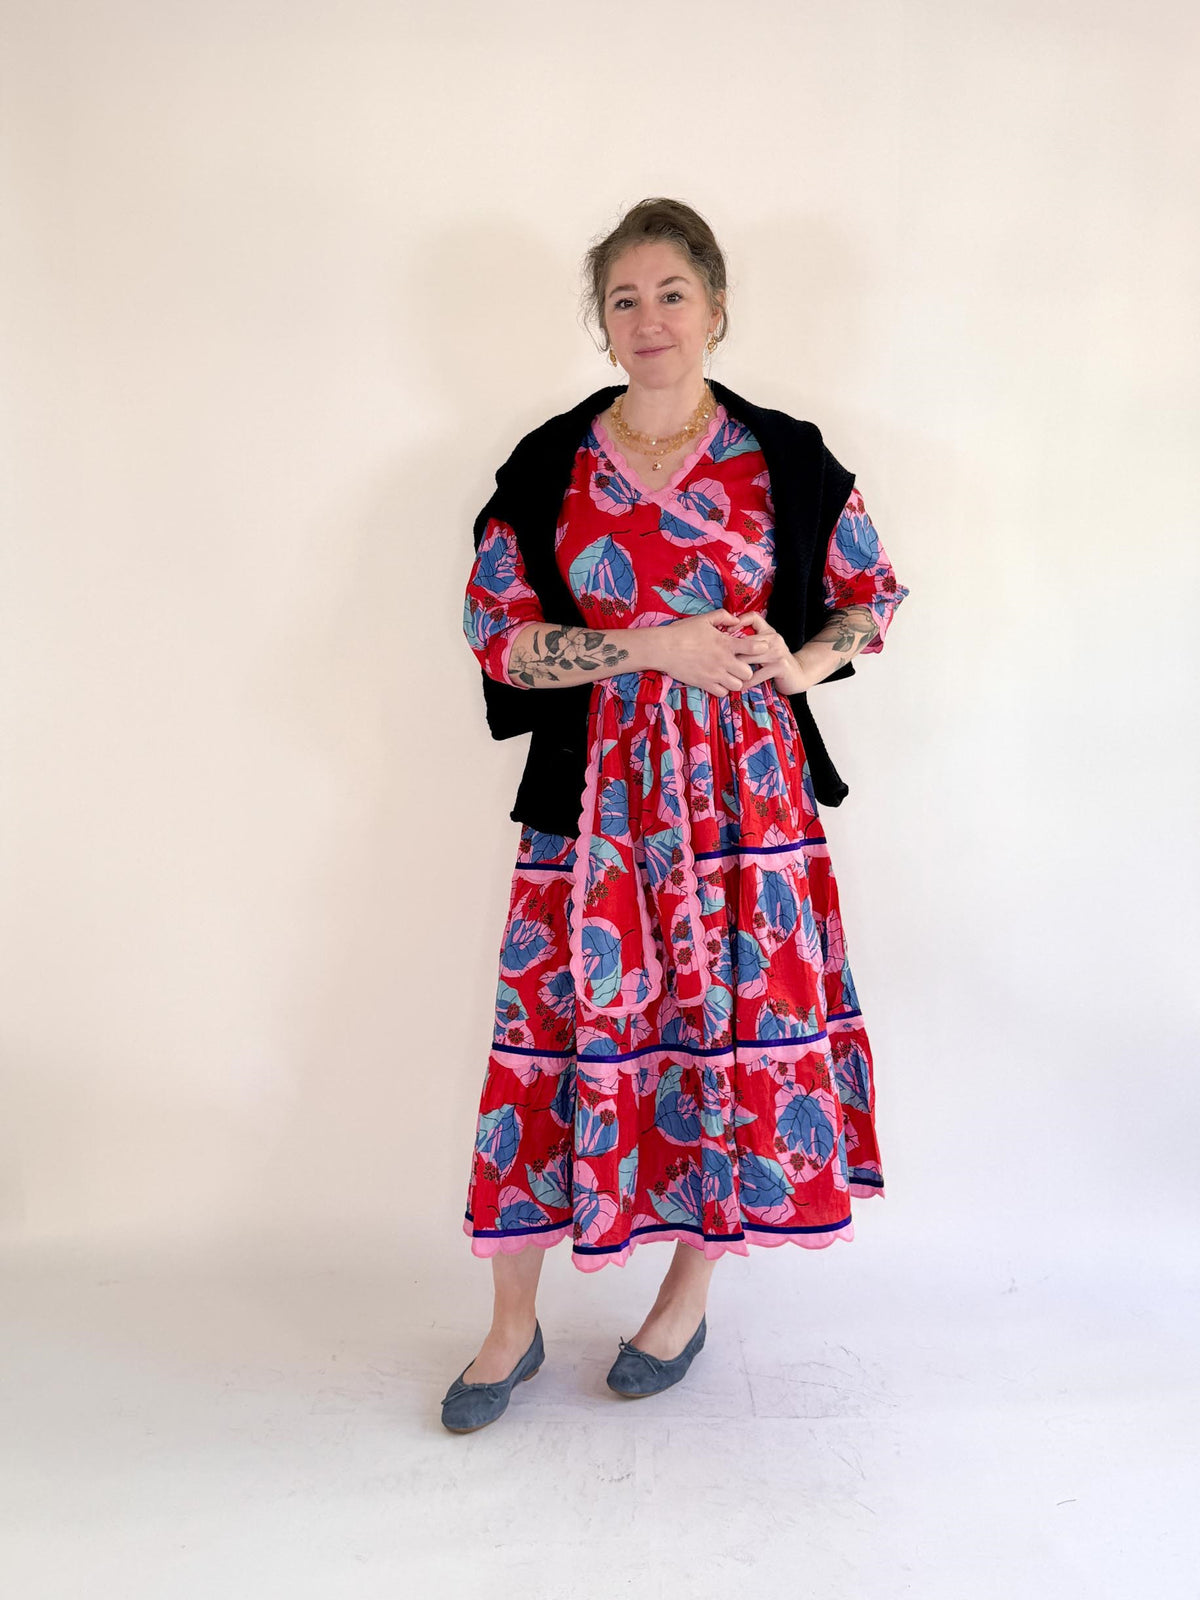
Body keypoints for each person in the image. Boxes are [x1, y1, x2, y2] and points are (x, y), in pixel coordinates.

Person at [443, 197, 909, 1432]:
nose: (649, 319)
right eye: (623, 298)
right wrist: (650, 644)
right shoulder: (551, 461)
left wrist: (803, 668)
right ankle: (510, 1323)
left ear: (714, 307)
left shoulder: (786, 455)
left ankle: (686, 1295)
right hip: (596, 809)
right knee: (548, 1038)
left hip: (746, 814)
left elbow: (870, 591)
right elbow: (498, 631)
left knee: (730, 1043)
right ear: (602, 324)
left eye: (671, 294)